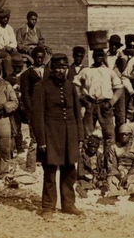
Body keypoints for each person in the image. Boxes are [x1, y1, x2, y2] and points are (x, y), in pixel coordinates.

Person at [32, 53, 84, 219]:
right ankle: (48, 207)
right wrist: (41, 140)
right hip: (51, 135)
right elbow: (37, 116)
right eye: (58, 68)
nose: (61, 71)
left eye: (64, 67)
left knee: (70, 171)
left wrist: (80, 137)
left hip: (70, 135)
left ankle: (68, 204)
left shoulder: (71, 87)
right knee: (50, 172)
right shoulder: (42, 87)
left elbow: (77, 114)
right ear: (52, 69)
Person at [74, 48, 124, 159]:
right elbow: (75, 84)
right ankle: (89, 162)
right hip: (90, 105)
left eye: (101, 56)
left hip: (104, 106)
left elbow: (119, 88)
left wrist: (111, 103)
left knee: (109, 135)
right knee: (88, 134)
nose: (99, 58)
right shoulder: (86, 71)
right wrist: (82, 99)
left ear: (103, 57)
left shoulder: (109, 71)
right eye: (96, 55)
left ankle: (108, 161)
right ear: (93, 57)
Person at [21, 47, 50, 172]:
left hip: (49, 109)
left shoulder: (49, 72)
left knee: (48, 136)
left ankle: (48, 161)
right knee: (34, 137)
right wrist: (30, 110)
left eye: (41, 57)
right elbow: (25, 94)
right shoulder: (27, 74)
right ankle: (30, 166)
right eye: (37, 57)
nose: (39, 59)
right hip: (35, 110)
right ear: (33, 58)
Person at [106, 124, 134, 196]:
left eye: (126, 134)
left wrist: (127, 176)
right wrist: (120, 177)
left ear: (130, 135)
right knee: (111, 184)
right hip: (118, 173)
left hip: (132, 173)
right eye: (121, 135)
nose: (123, 137)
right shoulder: (114, 147)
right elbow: (112, 166)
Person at [106, 35, 127, 137]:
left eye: (116, 45)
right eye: (112, 44)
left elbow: (126, 70)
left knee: (120, 115)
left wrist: (122, 58)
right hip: (107, 88)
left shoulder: (122, 58)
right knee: (107, 113)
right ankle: (110, 138)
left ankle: (120, 138)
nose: (114, 47)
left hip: (119, 89)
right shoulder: (103, 57)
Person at [6, 53, 25, 155]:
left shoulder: (25, 76)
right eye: (15, 67)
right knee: (16, 126)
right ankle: (18, 146)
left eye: (19, 67)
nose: (17, 69)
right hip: (15, 105)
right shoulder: (9, 79)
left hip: (24, 104)